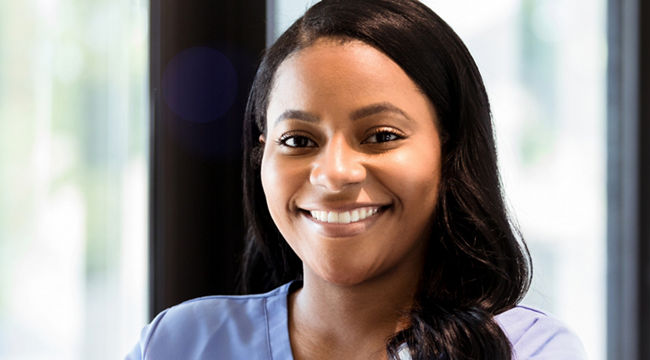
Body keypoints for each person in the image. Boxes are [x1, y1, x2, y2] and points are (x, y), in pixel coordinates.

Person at [126, 0, 586, 358]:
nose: (334, 174)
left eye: (381, 136)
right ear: (261, 154)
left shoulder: (525, 350)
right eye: (299, 141)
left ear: (449, 150)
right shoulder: (178, 343)